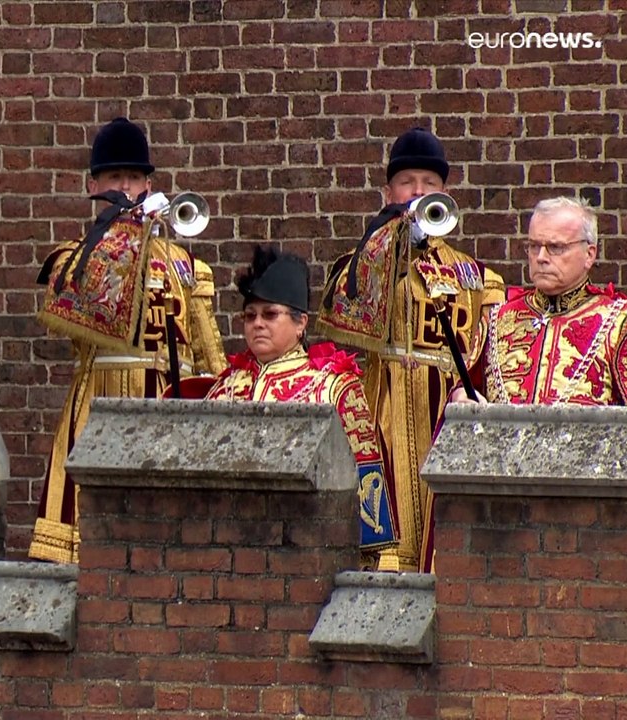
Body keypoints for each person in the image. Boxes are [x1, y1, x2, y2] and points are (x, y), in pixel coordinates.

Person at [29, 117, 228, 564]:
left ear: (149, 185)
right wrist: (126, 231)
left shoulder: (185, 264)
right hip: (100, 405)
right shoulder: (74, 258)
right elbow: (86, 302)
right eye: (114, 177)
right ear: (93, 187)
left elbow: (207, 352)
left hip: (168, 408)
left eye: (134, 178)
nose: (125, 187)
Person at [316, 127, 505, 572]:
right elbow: (344, 317)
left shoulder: (478, 275)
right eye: (407, 182)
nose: (418, 192)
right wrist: (396, 243)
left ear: (445, 194)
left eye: (429, 183)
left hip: (447, 414)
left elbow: (491, 357)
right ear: (388, 193)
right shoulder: (362, 262)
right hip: (384, 412)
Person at [183, 246, 396, 564]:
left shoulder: (333, 386)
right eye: (250, 316)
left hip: (308, 551)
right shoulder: (224, 388)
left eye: (270, 314)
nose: (257, 323)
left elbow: (366, 483)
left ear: (300, 324)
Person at [452, 197, 627, 405]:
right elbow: (465, 389)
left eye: (556, 247)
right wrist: (461, 396)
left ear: (589, 255)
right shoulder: (498, 318)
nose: (541, 257)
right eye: (534, 246)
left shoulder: (620, 322)